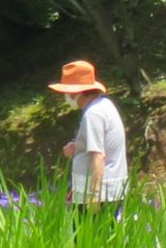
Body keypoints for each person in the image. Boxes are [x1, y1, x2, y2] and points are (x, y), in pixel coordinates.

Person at [51, 60, 128, 207]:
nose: (66, 97)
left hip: (98, 194)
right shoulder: (104, 105)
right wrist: (78, 146)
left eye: (67, 92)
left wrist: (93, 196)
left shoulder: (93, 114)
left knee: (90, 230)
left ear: (76, 93)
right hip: (108, 191)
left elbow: (98, 155)